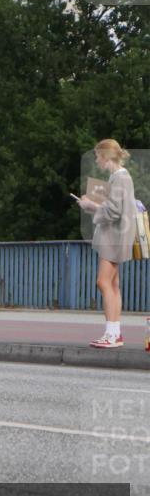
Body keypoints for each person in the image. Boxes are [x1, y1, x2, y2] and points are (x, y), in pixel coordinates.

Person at [78, 139, 138, 348]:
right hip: (117, 236)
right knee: (113, 284)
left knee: (103, 282)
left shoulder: (119, 178)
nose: (96, 160)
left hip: (113, 238)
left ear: (105, 156)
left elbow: (114, 212)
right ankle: (115, 333)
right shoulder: (120, 177)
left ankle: (111, 334)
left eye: (97, 156)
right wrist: (94, 203)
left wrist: (90, 205)